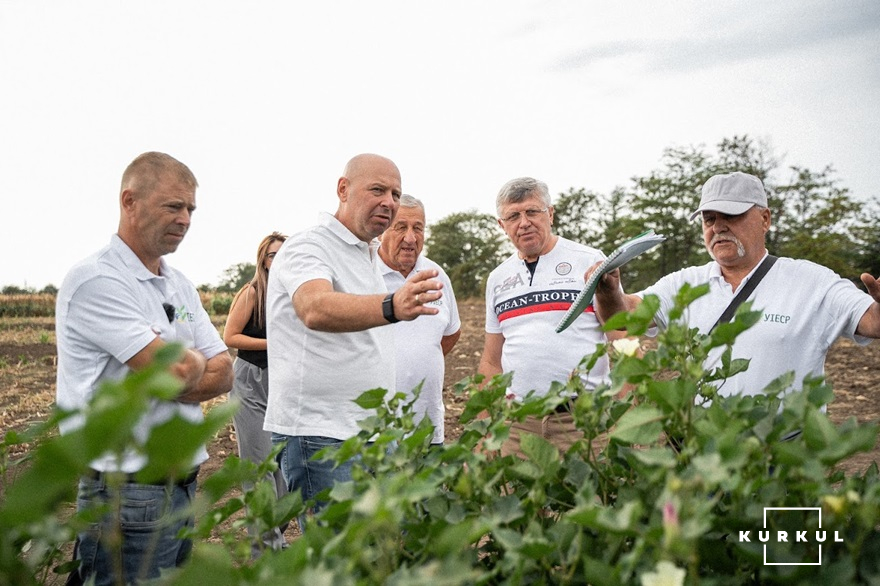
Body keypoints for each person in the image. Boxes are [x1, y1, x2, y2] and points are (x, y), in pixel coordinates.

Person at [56, 152, 234, 585]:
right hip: (125, 493)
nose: (186, 218)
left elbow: (225, 370)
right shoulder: (97, 281)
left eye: (191, 208)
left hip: (181, 488)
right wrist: (189, 363)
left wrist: (179, 364)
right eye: (173, 206)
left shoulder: (178, 283)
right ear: (129, 201)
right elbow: (173, 374)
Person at [264, 154, 445, 526]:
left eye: (396, 193)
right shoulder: (307, 246)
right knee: (338, 561)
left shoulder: (366, 255)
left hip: (369, 433)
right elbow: (314, 307)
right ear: (343, 189)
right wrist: (392, 305)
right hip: (321, 434)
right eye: (377, 190)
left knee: (371, 554)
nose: (389, 202)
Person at [591, 170, 880, 400]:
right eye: (709, 219)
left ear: (765, 219)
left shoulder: (811, 281)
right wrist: (609, 290)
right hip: (709, 459)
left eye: (732, 215)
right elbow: (623, 318)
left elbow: (871, 321)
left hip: (788, 461)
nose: (718, 227)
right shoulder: (685, 284)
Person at [478, 177, 625, 457]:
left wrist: (629, 412)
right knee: (518, 500)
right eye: (513, 216)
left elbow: (621, 335)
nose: (524, 222)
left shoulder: (589, 260)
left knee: (588, 499)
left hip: (584, 421)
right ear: (501, 225)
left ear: (551, 214)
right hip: (519, 425)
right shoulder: (498, 279)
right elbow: (490, 360)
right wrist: (486, 429)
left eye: (533, 211)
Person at [223, 231, 289, 555]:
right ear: (264, 259)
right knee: (258, 468)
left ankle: (276, 533)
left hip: (281, 383)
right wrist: (271, 344)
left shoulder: (290, 294)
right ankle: (267, 551)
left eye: (284, 253)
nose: (279, 260)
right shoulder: (252, 293)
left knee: (283, 471)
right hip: (250, 382)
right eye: (274, 254)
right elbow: (230, 336)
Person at [378, 194, 461, 445]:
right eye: (400, 227)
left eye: (418, 228)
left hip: (427, 425)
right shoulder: (364, 273)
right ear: (383, 230)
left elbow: (451, 333)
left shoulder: (436, 275)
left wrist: (418, 360)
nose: (410, 238)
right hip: (375, 431)